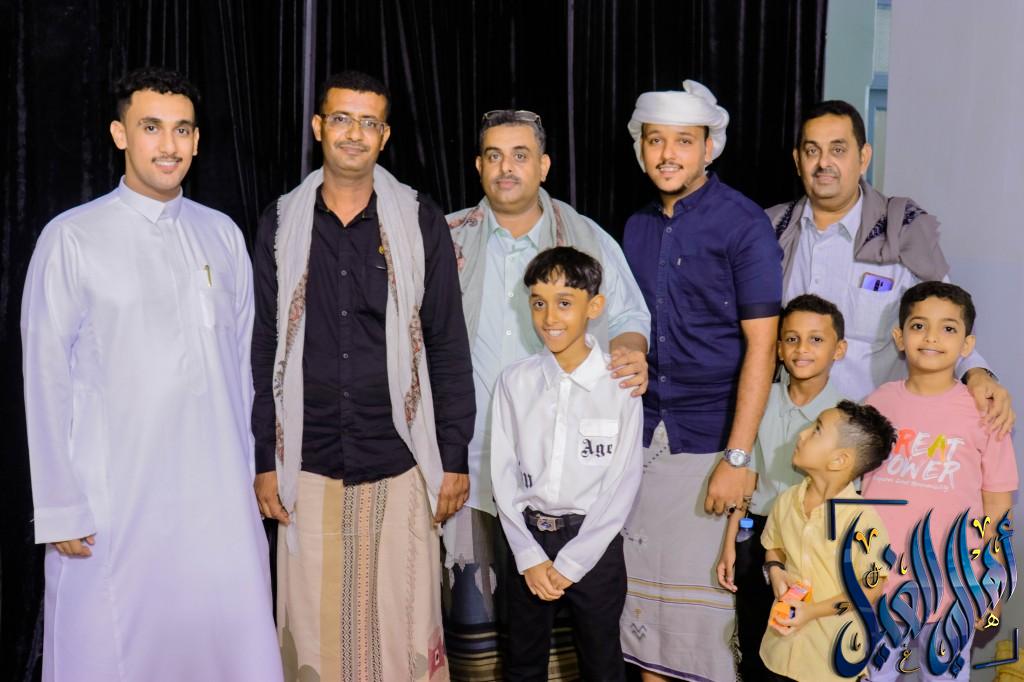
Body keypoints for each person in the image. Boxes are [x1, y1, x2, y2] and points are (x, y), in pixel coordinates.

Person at [21, 67, 281, 682]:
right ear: (120, 135)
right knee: (110, 649)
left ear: (197, 140)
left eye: (182, 129)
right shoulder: (72, 238)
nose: (169, 145)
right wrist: (60, 504)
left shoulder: (221, 234)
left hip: (218, 496)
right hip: (116, 499)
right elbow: (44, 377)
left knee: (225, 647)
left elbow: (248, 370)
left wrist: (258, 469)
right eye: (151, 128)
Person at [250, 70, 475, 681]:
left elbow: (447, 342)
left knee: (400, 632)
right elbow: (265, 347)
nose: (354, 133)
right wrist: (265, 458)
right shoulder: (280, 223)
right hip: (307, 461)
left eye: (368, 122)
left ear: (385, 135)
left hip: (400, 458)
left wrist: (454, 455)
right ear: (319, 126)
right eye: (342, 119)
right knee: (316, 637)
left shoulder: (418, 220)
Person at [445, 109, 650, 678]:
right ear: (479, 166)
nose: (506, 168)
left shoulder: (586, 236)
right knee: (484, 622)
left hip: (575, 483)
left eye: (520, 155)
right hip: (470, 461)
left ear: (544, 166)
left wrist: (627, 358)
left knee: (593, 644)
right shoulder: (446, 236)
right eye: (494, 156)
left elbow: (630, 315)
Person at [620, 80, 783, 681]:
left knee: (700, 630)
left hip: (711, 441)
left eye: (683, 142)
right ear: (640, 147)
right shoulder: (635, 226)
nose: (668, 154)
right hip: (639, 438)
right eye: (655, 141)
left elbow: (763, 347)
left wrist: (738, 458)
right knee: (642, 617)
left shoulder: (743, 223)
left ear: (708, 147)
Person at [765, 100, 1014, 435]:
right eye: (812, 151)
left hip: (877, 435)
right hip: (787, 432)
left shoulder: (902, 231)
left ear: (863, 157)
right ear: (798, 161)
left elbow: (945, 321)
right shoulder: (769, 231)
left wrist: (978, 374)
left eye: (838, 149)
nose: (824, 162)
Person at [489, 246, 643, 681]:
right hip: (529, 542)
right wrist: (528, 556)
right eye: (538, 303)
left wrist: (573, 562)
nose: (549, 317)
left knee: (601, 662)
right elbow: (502, 475)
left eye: (564, 303)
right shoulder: (514, 381)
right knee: (523, 662)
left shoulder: (620, 385)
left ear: (594, 306)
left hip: (594, 543)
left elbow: (622, 484)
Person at [861, 282, 1017, 680]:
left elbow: (998, 506)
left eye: (948, 328)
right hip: (880, 584)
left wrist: (994, 580)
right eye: (918, 326)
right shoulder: (876, 403)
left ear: (967, 345)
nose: (931, 337)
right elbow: (852, 492)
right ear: (899, 337)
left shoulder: (986, 413)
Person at [716, 294, 847, 681]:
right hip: (757, 535)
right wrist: (730, 541)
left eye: (816, 339)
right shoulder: (761, 400)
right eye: (792, 339)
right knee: (756, 640)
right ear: (777, 348)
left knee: (805, 646)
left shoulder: (846, 415)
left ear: (839, 349)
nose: (802, 349)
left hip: (812, 542)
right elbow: (747, 477)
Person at [759, 401, 896, 682]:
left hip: (831, 661)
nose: (802, 434)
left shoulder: (862, 520)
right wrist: (775, 570)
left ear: (839, 460)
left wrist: (811, 612)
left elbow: (871, 589)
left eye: (817, 430)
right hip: (778, 652)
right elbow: (774, 546)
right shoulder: (786, 501)